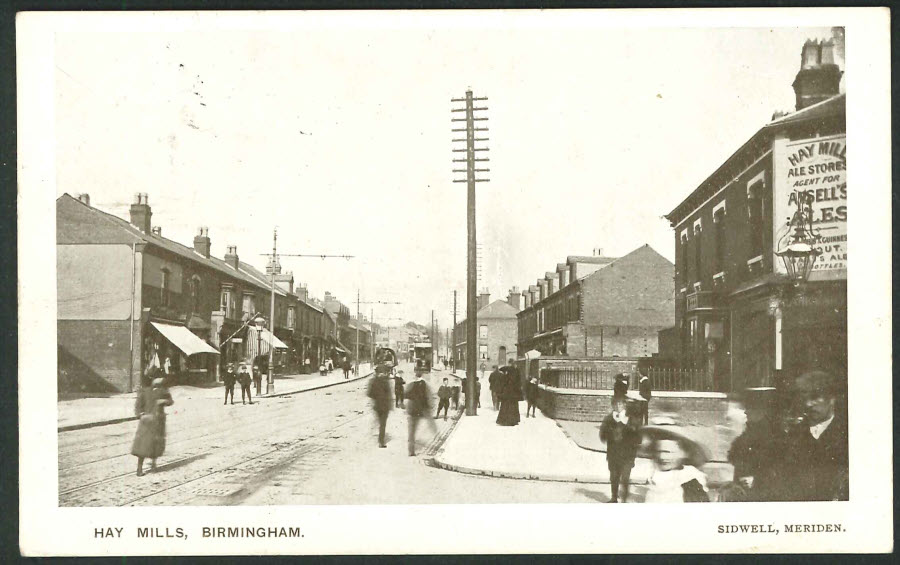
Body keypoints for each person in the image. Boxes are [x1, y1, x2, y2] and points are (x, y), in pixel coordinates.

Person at [778, 370, 848, 501]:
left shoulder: (846, 435)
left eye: (815, 397)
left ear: (832, 398)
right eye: (805, 398)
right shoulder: (793, 435)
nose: (808, 404)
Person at [721, 387, 783, 502]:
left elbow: (780, 468)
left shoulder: (772, 436)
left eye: (749, 408)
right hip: (747, 491)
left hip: (764, 496)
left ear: (762, 411)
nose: (746, 412)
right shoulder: (748, 434)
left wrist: (757, 480)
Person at [642, 425, 710, 503]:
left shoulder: (690, 483)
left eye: (668, 452)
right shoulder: (654, 479)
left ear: (683, 454)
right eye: (658, 452)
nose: (662, 457)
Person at [600, 396, 641, 502]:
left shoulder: (631, 419)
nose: (618, 406)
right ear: (613, 406)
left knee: (625, 478)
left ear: (624, 405)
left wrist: (629, 428)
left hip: (627, 455)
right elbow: (602, 436)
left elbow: (638, 438)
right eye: (616, 404)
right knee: (614, 477)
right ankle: (614, 498)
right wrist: (610, 432)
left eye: (621, 404)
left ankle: (624, 499)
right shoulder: (608, 419)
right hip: (613, 454)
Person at [131, 376, 174, 477]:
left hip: (159, 421)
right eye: (157, 379)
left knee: (156, 443)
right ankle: (139, 468)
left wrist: (164, 401)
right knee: (143, 445)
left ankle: (154, 464)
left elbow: (170, 401)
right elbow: (138, 406)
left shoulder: (163, 391)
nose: (160, 381)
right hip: (147, 422)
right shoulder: (144, 392)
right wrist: (141, 415)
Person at [405, 371, 436, 456]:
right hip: (422, 410)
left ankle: (411, 451)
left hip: (413, 410)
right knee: (431, 425)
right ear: (422, 375)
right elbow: (429, 396)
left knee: (412, 431)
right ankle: (437, 439)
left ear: (415, 376)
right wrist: (430, 406)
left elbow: (406, 394)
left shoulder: (411, 384)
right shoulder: (425, 385)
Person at [367, 368, 393, 448]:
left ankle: (380, 440)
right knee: (382, 424)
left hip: (377, 406)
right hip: (385, 406)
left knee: (380, 423)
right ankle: (381, 441)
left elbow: (369, 394)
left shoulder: (373, 381)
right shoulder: (386, 381)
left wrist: (376, 397)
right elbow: (389, 394)